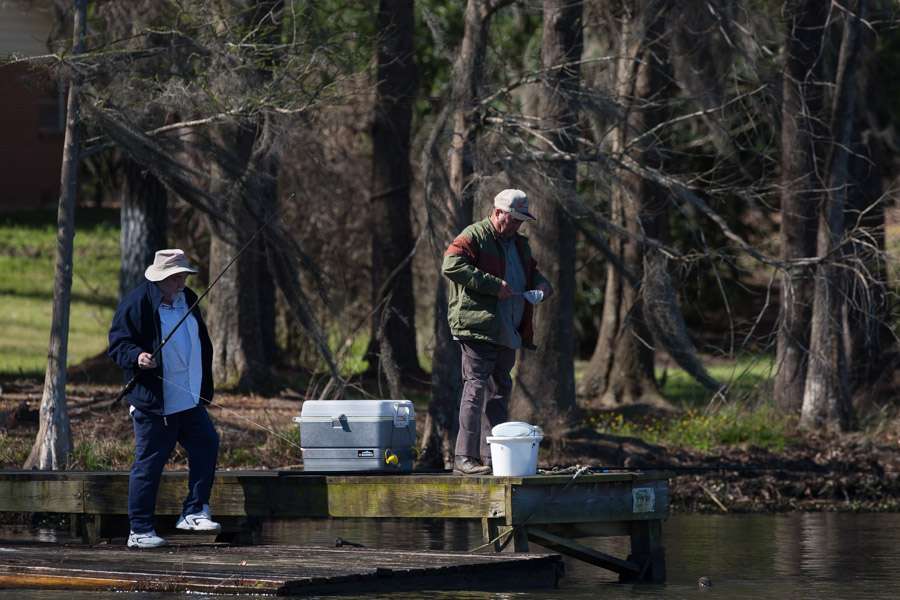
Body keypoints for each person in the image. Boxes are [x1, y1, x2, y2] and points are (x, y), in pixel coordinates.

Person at [108, 249, 221, 548]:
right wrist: (138, 356)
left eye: (184, 275)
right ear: (161, 278)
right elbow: (118, 344)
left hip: (189, 398)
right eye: (176, 277)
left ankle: (195, 511)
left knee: (207, 444)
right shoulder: (138, 303)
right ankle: (140, 531)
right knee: (149, 465)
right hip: (155, 403)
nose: (182, 280)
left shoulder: (188, 299)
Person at [442, 189, 553, 475]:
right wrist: (493, 285)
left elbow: (533, 273)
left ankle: (493, 458)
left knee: (500, 391)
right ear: (498, 212)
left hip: (508, 329)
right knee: (476, 388)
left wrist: (542, 287)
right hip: (477, 327)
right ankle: (464, 459)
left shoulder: (520, 245)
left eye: (521, 220)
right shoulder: (475, 234)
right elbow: (451, 264)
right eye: (514, 219)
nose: (518, 225)